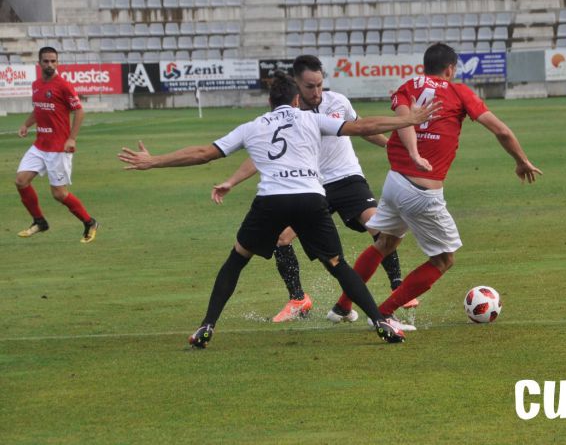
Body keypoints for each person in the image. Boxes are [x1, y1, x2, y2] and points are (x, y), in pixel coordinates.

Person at [117, 72, 441, 347]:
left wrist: (154, 161)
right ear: (297, 99)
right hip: (311, 199)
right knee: (338, 264)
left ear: (269, 103)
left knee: (236, 260)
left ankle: (207, 325)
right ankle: (380, 322)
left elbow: (204, 153)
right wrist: (406, 119)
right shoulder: (312, 118)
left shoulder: (253, 126)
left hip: (271, 200)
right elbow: (361, 126)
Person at [330, 43, 543, 330]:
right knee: (443, 259)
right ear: (451, 69)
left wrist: (413, 152)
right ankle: (383, 314)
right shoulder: (459, 92)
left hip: (395, 181)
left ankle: (342, 306)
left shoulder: (408, 86)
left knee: (385, 243)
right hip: (421, 192)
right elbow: (501, 130)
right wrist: (522, 161)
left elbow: (403, 121)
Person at [214, 55, 413, 325]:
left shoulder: (338, 102)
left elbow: (363, 129)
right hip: (310, 185)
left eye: (320, 84)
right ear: (296, 85)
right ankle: (298, 299)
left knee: (378, 224)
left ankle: (397, 286)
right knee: (282, 239)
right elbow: (267, 155)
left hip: (346, 177)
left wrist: (392, 147)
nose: (317, 92)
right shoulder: (290, 117)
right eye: (309, 86)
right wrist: (232, 180)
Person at [15, 46, 98, 243]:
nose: (50, 64)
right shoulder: (36, 85)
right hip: (40, 145)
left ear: (57, 63)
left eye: (53, 61)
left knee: (59, 194)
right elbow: (39, 109)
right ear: (39, 63)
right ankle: (39, 221)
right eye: (46, 61)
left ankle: (89, 222)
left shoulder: (63, 85)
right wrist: (26, 124)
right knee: (21, 181)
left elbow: (79, 111)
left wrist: (72, 138)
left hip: (58, 148)